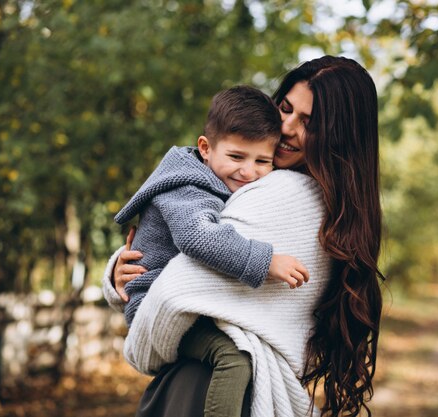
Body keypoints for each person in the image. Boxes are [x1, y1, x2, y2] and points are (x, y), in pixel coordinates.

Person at [103, 55, 385, 417]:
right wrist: (120, 271)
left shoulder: (285, 193)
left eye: (308, 123)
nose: (285, 127)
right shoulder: (336, 210)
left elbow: (181, 284)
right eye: (284, 108)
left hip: (209, 385)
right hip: (207, 382)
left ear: (338, 135)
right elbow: (191, 242)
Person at [108, 85, 309, 417]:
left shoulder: (222, 179)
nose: (249, 171)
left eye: (263, 161)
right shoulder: (188, 186)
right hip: (152, 305)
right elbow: (197, 237)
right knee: (233, 358)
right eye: (236, 157)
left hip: (183, 303)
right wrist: (265, 261)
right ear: (205, 148)